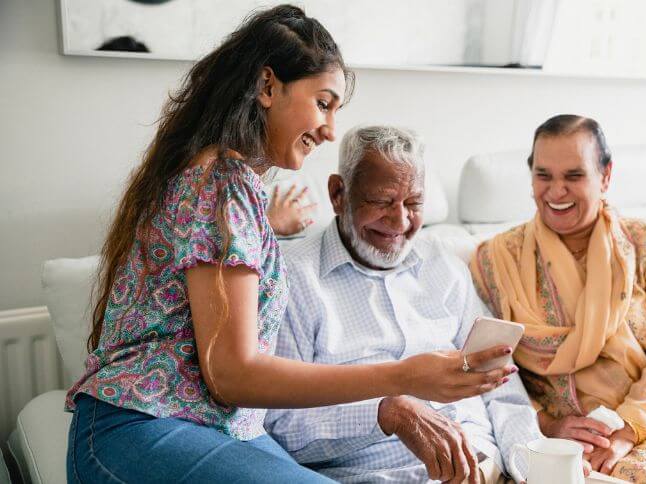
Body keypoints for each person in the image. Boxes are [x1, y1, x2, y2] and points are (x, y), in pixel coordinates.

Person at [65, 6, 504, 483]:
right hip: (143, 426)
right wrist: (402, 377)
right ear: (268, 87)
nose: (331, 129)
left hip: (217, 427)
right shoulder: (219, 182)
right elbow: (231, 374)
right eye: (324, 103)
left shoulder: (234, 187)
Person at [265, 125, 545, 484]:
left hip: (484, 469)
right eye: (382, 202)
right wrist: (385, 412)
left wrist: (534, 463)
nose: (400, 221)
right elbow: (280, 424)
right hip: (374, 475)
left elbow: (501, 389)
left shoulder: (446, 266)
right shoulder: (291, 277)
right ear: (338, 194)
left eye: (413, 203)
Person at [470, 114, 646, 483]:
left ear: (605, 177)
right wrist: (546, 424)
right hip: (579, 443)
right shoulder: (494, 261)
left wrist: (629, 427)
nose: (556, 191)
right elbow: (483, 371)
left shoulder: (644, 242)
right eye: (544, 176)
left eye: (574, 176)